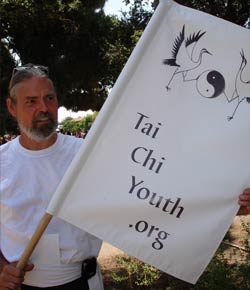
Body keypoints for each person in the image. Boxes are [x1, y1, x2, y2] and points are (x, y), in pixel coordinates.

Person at [0, 65, 103, 290]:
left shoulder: (86, 153)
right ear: (12, 107)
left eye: (49, 98)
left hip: (82, 283)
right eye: (31, 101)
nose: (44, 108)